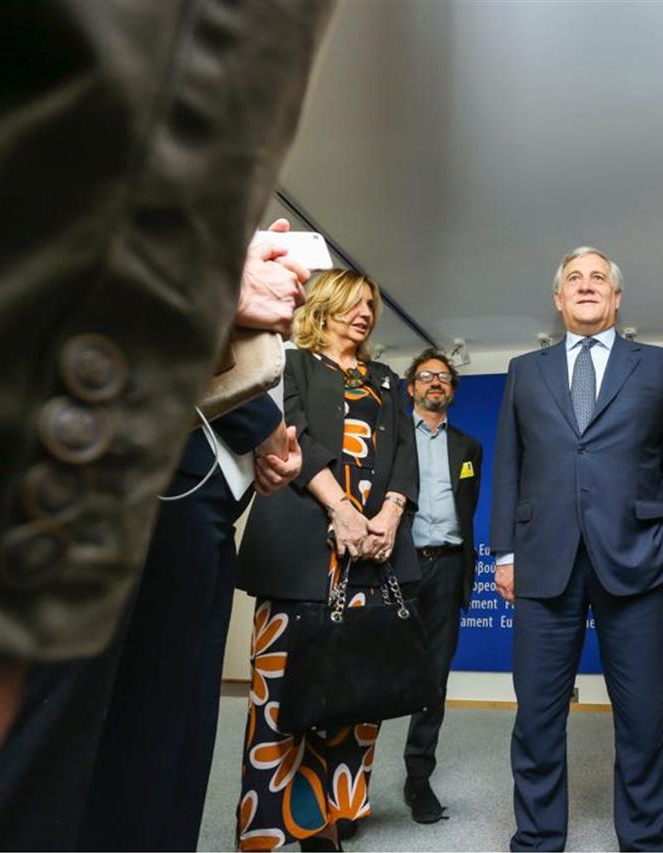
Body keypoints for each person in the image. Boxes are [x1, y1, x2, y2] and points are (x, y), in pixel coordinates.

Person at [0, 0, 329, 835]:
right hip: (43, 445)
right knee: (16, 765)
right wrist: (202, 289)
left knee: (152, 749)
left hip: (168, 480)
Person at [77, 222, 310, 851]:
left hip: (201, 489)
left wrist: (265, 439)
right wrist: (220, 287)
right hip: (138, 471)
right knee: (141, 714)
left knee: (178, 711)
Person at [491, 247, 663, 852]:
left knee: (640, 719)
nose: (586, 286)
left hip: (638, 561)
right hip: (542, 562)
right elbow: (509, 466)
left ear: (616, 298)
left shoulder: (658, 366)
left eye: (598, 278)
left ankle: (643, 838)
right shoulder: (524, 371)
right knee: (535, 716)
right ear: (558, 299)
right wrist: (504, 553)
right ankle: (536, 838)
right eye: (574, 279)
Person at [236, 269, 420, 852]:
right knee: (282, 694)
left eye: (371, 305)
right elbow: (289, 435)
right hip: (301, 553)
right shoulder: (289, 363)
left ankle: (331, 815)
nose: (364, 314)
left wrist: (388, 515)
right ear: (324, 305)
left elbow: (404, 456)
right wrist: (340, 508)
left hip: (374, 556)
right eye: (353, 303)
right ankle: (272, 823)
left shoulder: (388, 380)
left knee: (356, 691)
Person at [389, 348, 483, 825]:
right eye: (426, 377)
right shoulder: (392, 435)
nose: (435, 384)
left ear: (451, 390)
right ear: (411, 387)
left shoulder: (468, 448)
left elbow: (467, 510)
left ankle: (418, 778)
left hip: (446, 567)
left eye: (444, 378)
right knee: (371, 668)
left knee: (434, 677)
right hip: (392, 566)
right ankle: (345, 788)